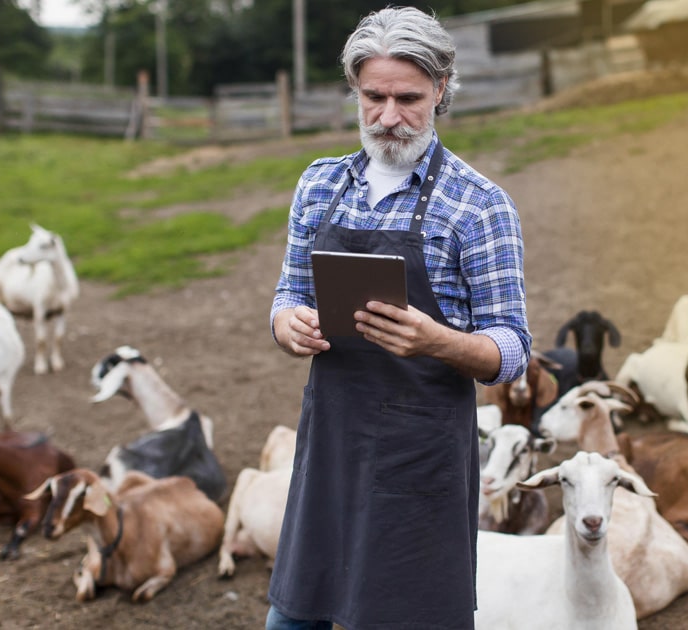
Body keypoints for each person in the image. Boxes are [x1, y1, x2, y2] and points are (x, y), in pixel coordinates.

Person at [267, 7, 531, 630]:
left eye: (408, 98)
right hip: (332, 440)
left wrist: (438, 341)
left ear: (441, 90)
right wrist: (287, 326)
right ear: (355, 91)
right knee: (293, 617)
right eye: (374, 96)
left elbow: (512, 348)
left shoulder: (479, 206)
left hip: (422, 458)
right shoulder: (320, 185)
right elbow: (288, 294)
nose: (389, 117)